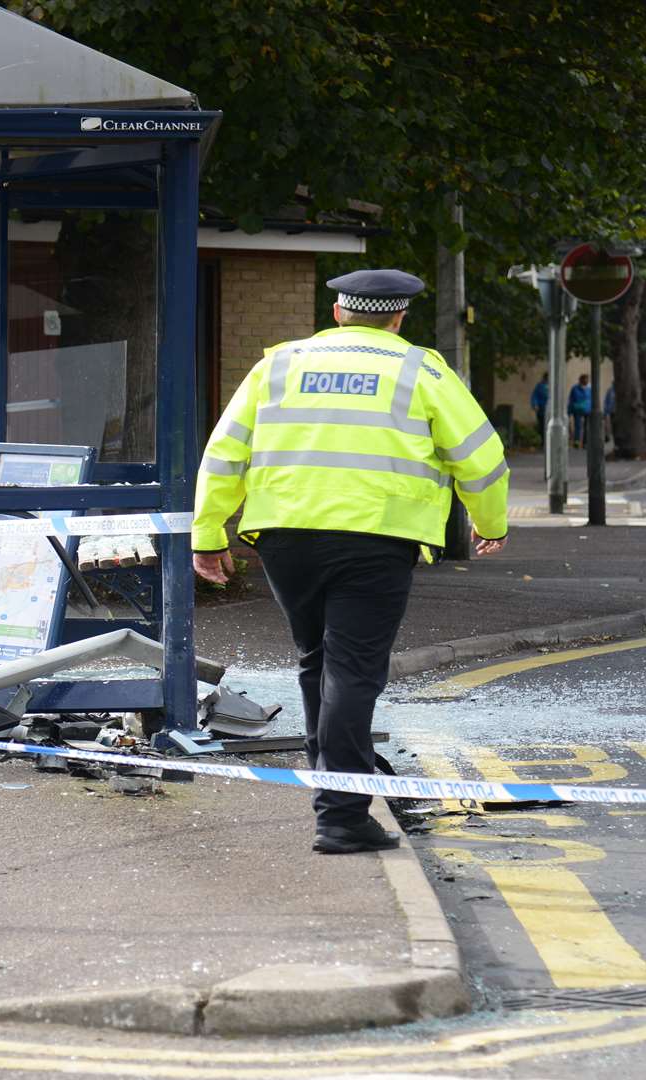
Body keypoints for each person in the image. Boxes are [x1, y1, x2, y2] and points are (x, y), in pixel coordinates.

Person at [192, 269, 509, 855]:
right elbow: (480, 456)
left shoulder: (279, 365)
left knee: (319, 664)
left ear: (338, 313)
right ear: (398, 317)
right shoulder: (421, 369)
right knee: (353, 670)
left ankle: (336, 788)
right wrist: (489, 523)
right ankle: (340, 815)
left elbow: (224, 451)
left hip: (286, 537)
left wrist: (209, 534)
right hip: (376, 538)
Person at [568, 374, 591, 448]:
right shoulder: (575, 388)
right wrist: (570, 410)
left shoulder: (589, 389)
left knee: (587, 427)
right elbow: (571, 400)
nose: (586, 381)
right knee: (578, 426)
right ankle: (577, 441)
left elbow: (592, 400)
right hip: (577, 410)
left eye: (587, 379)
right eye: (584, 379)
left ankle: (585, 443)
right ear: (581, 380)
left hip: (587, 410)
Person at [530, 375, 549, 439]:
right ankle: (543, 440)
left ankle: (545, 439)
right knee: (541, 425)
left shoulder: (552, 387)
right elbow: (535, 396)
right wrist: (535, 404)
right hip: (541, 409)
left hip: (549, 410)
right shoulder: (540, 386)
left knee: (546, 425)